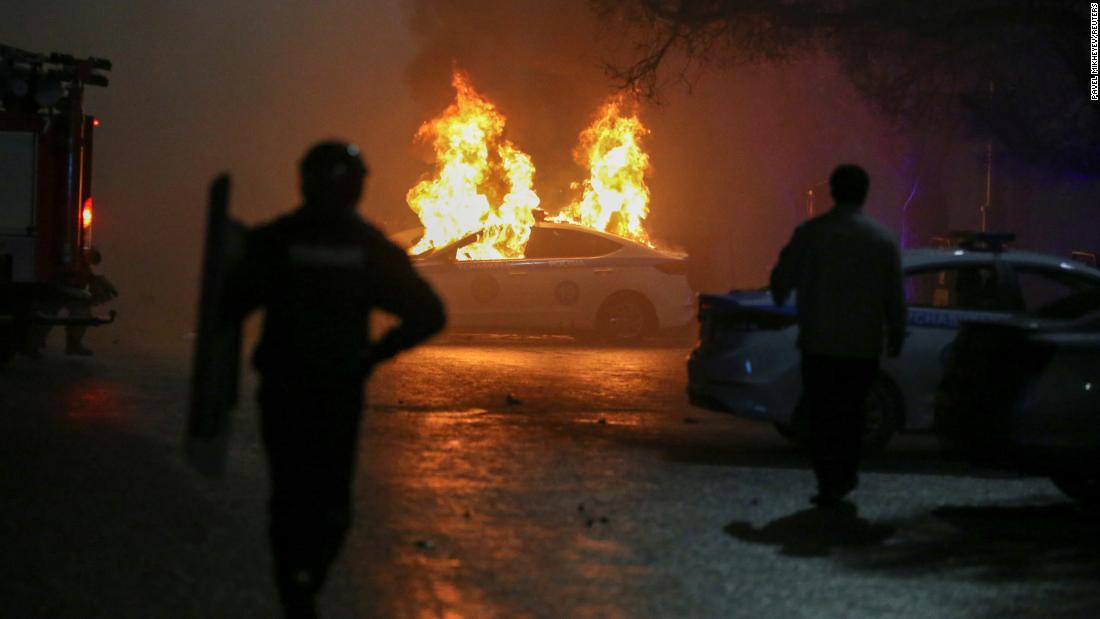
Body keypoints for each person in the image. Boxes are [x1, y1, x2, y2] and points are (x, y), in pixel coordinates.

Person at [223, 141, 445, 618]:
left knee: (288, 493)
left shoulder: (277, 240)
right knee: (330, 500)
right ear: (355, 189)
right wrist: (372, 355)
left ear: (304, 182)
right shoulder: (367, 248)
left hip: (282, 389)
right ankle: (306, 582)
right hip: (336, 392)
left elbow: (229, 303)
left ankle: (294, 586)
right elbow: (429, 313)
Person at [769, 164, 906, 507]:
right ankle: (845, 475)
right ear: (865, 193)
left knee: (822, 412)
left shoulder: (811, 233)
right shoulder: (882, 239)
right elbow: (894, 294)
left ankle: (828, 477)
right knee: (852, 412)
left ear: (832, 191)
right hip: (861, 346)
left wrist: (782, 293)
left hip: (819, 344)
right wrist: (897, 331)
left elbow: (782, 278)